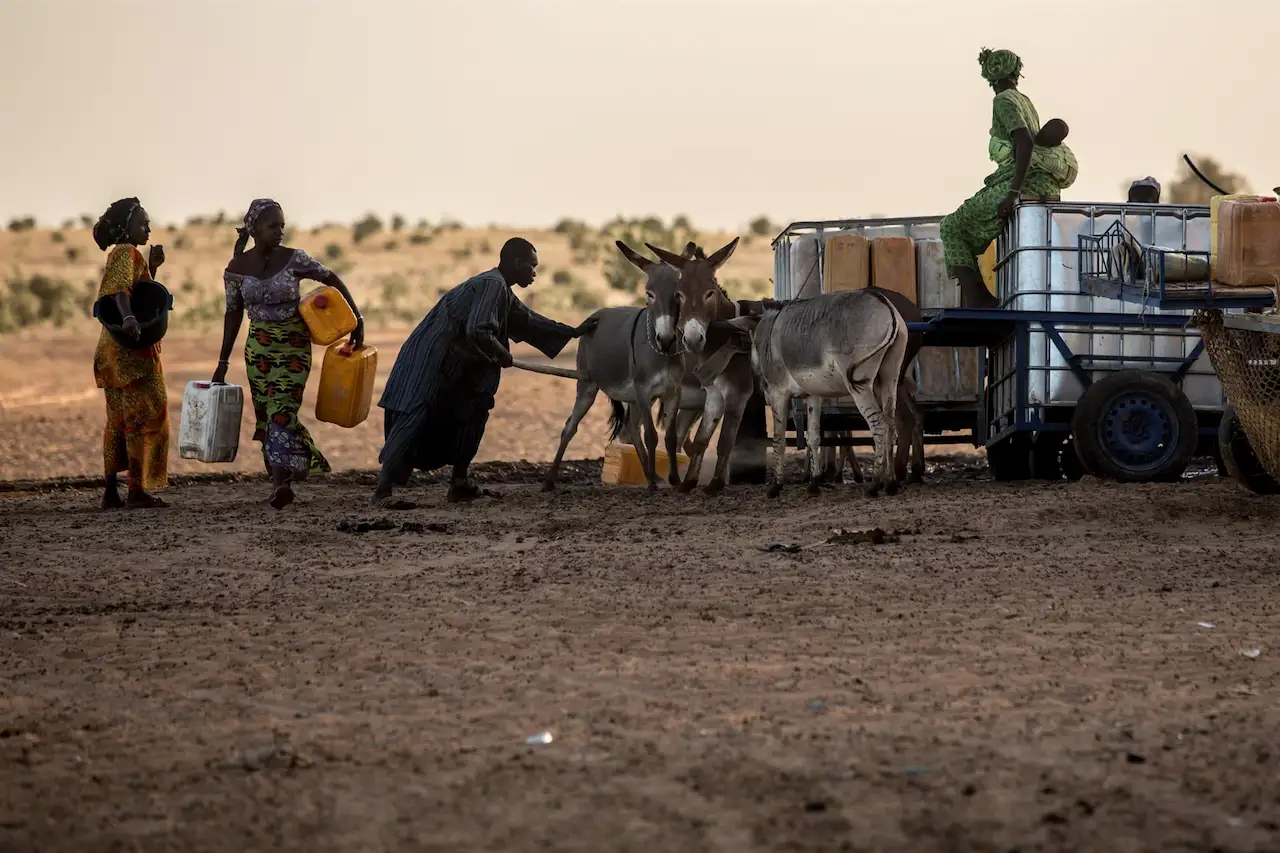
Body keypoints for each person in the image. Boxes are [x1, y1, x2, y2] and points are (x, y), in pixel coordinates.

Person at [373, 237, 598, 508]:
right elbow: (479, 329)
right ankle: (382, 493)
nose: (535, 273)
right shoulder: (492, 285)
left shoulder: (501, 288)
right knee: (414, 417)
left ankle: (459, 484)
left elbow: (526, 320)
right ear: (517, 263)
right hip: (430, 362)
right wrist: (500, 352)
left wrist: (571, 331)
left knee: (472, 412)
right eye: (532, 265)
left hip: (456, 368)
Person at [213, 199, 364, 509]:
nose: (279, 231)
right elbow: (232, 314)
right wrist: (222, 362)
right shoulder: (236, 268)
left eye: (282, 225)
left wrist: (356, 319)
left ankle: (281, 482)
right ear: (255, 229)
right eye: (273, 226)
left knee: (283, 407)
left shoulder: (295, 258)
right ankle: (281, 475)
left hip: (294, 345)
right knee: (268, 413)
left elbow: (331, 278)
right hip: (259, 350)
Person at [940, 49, 1079, 308]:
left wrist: (1012, 194)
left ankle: (978, 300)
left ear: (989, 77)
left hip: (1023, 181)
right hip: (1040, 180)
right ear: (1017, 72)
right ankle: (980, 298)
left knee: (952, 226)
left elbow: (1024, 142)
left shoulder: (1003, 100)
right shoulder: (1024, 99)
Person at [92, 197, 169, 510]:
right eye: (142, 223)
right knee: (144, 417)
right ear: (126, 229)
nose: (148, 228)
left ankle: (111, 492)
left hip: (110, 354)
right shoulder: (127, 251)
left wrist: (153, 268)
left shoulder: (125, 255)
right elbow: (121, 292)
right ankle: (137, 489)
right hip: (130, 354)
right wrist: (128, 318)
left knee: (116, 421)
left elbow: (137, 291)